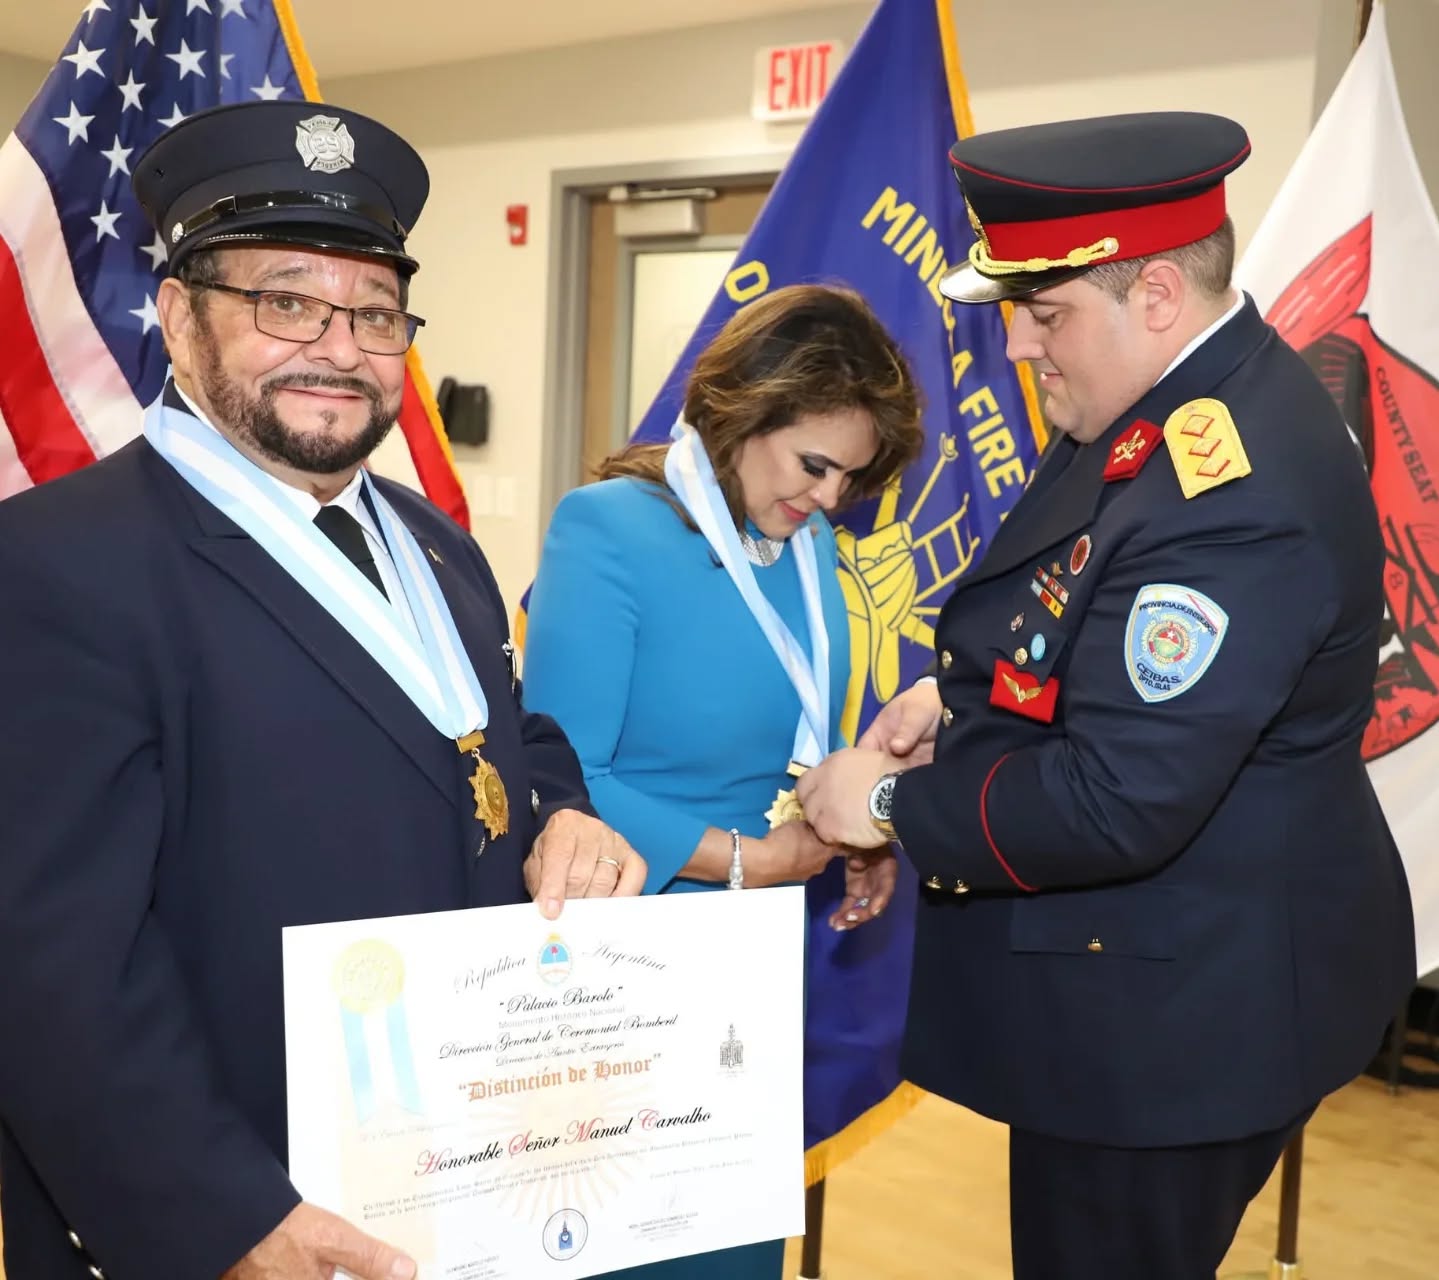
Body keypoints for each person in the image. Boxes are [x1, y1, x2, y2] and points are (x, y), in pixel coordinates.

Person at [0, 100, 645, 1280]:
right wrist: (223, 1214)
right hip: (235, 1213)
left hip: (456, 1183)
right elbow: (49, 963)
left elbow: (495, 738)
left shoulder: (432, 542)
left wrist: (564, 816)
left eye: (375, 312)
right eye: (285, 300)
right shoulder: (53, 565)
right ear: (179, 319)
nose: (339, 346)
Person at [796, 111, 1417, 1279]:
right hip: (1149, 971)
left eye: (1044, 314)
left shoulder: (1232, 484)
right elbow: (1088, 605)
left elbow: (1118, 797)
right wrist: (961, 701)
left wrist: (882, 806)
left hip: (1174, 1020)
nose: (1021, 348)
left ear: (1159, 298)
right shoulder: (1154, 405)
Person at [521, 283, 924, 1278]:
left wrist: (851, 834)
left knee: (729, 1253)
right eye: (815, 464)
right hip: (624, 951)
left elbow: (793, 738)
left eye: (850, 476)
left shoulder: (808, 542)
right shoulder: (609, 528)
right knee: (619, 1248)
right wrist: (752, 858)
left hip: (748, 959)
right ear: (746, 409)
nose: (830, 497)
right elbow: (562, 777)